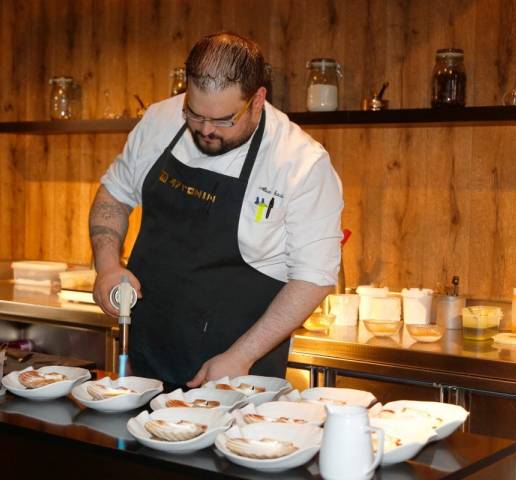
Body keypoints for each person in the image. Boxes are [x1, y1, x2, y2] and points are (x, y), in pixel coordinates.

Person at [89, 32, 343, 388]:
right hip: (144, 364)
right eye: (193, 113)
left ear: (257, 100)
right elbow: (113, 195)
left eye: (224, 120)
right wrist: (107, 266)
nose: (206, 130)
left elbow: (313, 278)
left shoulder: (300, 162)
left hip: (236, 378)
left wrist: (242, 355)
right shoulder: (159, 121)